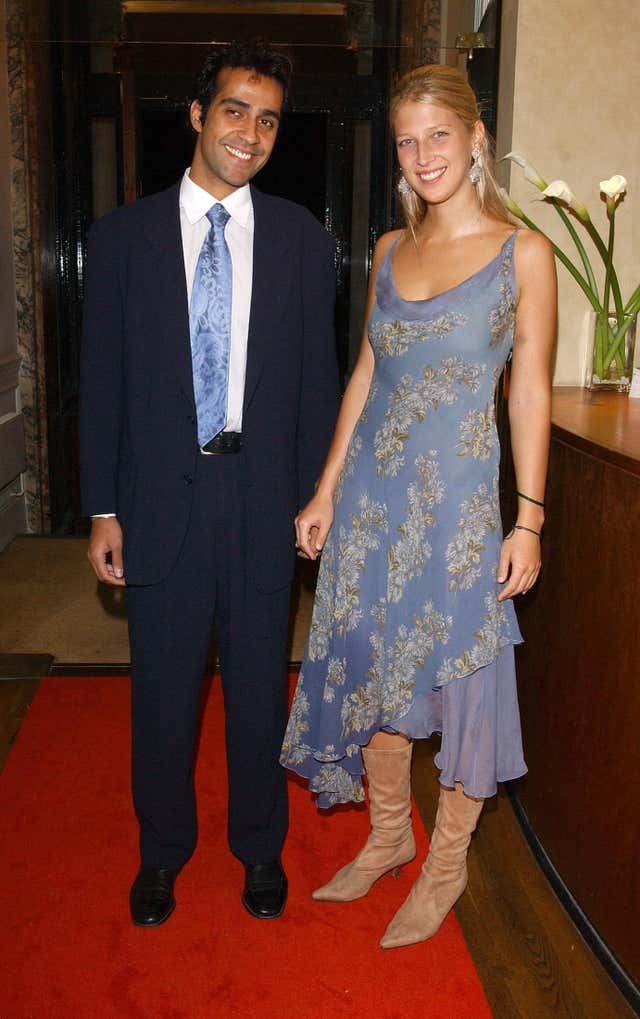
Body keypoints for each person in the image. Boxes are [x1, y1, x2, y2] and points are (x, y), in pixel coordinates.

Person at [281, 64, 555, 949]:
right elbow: (366, 372)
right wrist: (325, 489)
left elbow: (530, 396)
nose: (423, 154)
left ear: (476, 138)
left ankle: (446, 865)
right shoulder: (392, 252)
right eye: (407, 138)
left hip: (462, 513)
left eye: (439, 133)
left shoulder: (525, 254)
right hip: (370, 505)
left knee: (467, 686)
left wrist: (531, 518)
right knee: (373, 672)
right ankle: (388, 834)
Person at [80, 40, 339, 927]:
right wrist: (103, 508)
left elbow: (317, 384)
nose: (251, 132)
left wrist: (319, 496)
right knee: (162, 694)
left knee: (262, 687)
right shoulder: (120, 240)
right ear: (197, 116)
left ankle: (260, 848)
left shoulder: (305, 241)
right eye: (235, 110)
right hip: (158, 501)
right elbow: (101, 382)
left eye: (267, 119)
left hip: (264, 499)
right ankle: (162, 855)